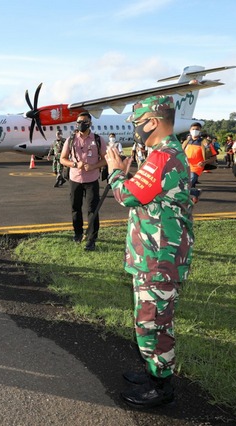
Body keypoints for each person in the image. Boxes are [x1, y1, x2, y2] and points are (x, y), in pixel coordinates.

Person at [104, 95, 193, 408]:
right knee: (150, 318)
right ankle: (154, 372)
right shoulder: (162, 153)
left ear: (153, 122)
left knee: (153, 320)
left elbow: (128, 195)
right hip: (154, 254)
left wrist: (115, 169)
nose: (136, 130)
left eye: (138, 123)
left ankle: (162, 386)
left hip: (159, 257)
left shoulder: (164, 155)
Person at [59, 111, 107, 251]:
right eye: (79, 122)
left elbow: (105, 159)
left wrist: (93, 166)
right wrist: (74, 164)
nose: (81, 124)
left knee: (93, 210)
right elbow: (63, 159)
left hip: (91, 180)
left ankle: (91, 239)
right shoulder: (71, 139)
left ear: (90, 123)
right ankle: (78, 233)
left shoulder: (98, 140)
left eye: (84, 122)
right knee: (75, 207)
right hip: (75, 179)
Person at [181, 123, 216, 188]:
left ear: (200, 131)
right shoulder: (186, 142)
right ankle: (195, 195)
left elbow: (214, 157)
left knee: (188, 185)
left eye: (197, 129)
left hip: (196, 168)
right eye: (193, 129)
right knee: (189, 187)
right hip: (185, 168)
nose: (195, 131)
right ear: (190, 130)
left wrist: (204, 162)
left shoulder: (205, 143)